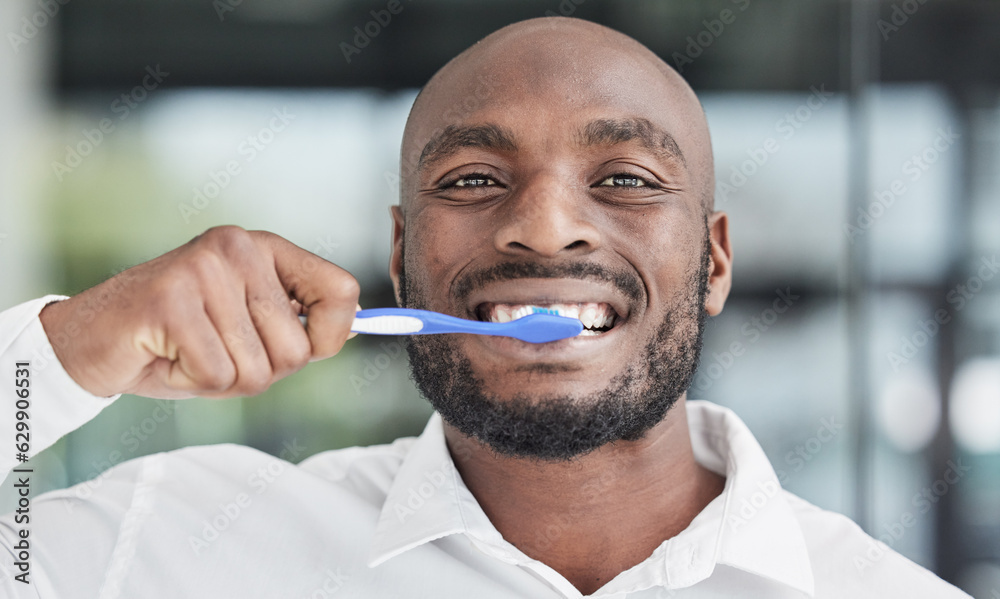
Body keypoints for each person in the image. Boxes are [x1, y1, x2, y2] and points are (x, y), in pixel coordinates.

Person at [0, 16, 970, 599]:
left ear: (714, 262)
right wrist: (61, 354)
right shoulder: (175, 544)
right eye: (469, 179)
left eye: (626, 177)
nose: (544, 228)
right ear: (399, 254)